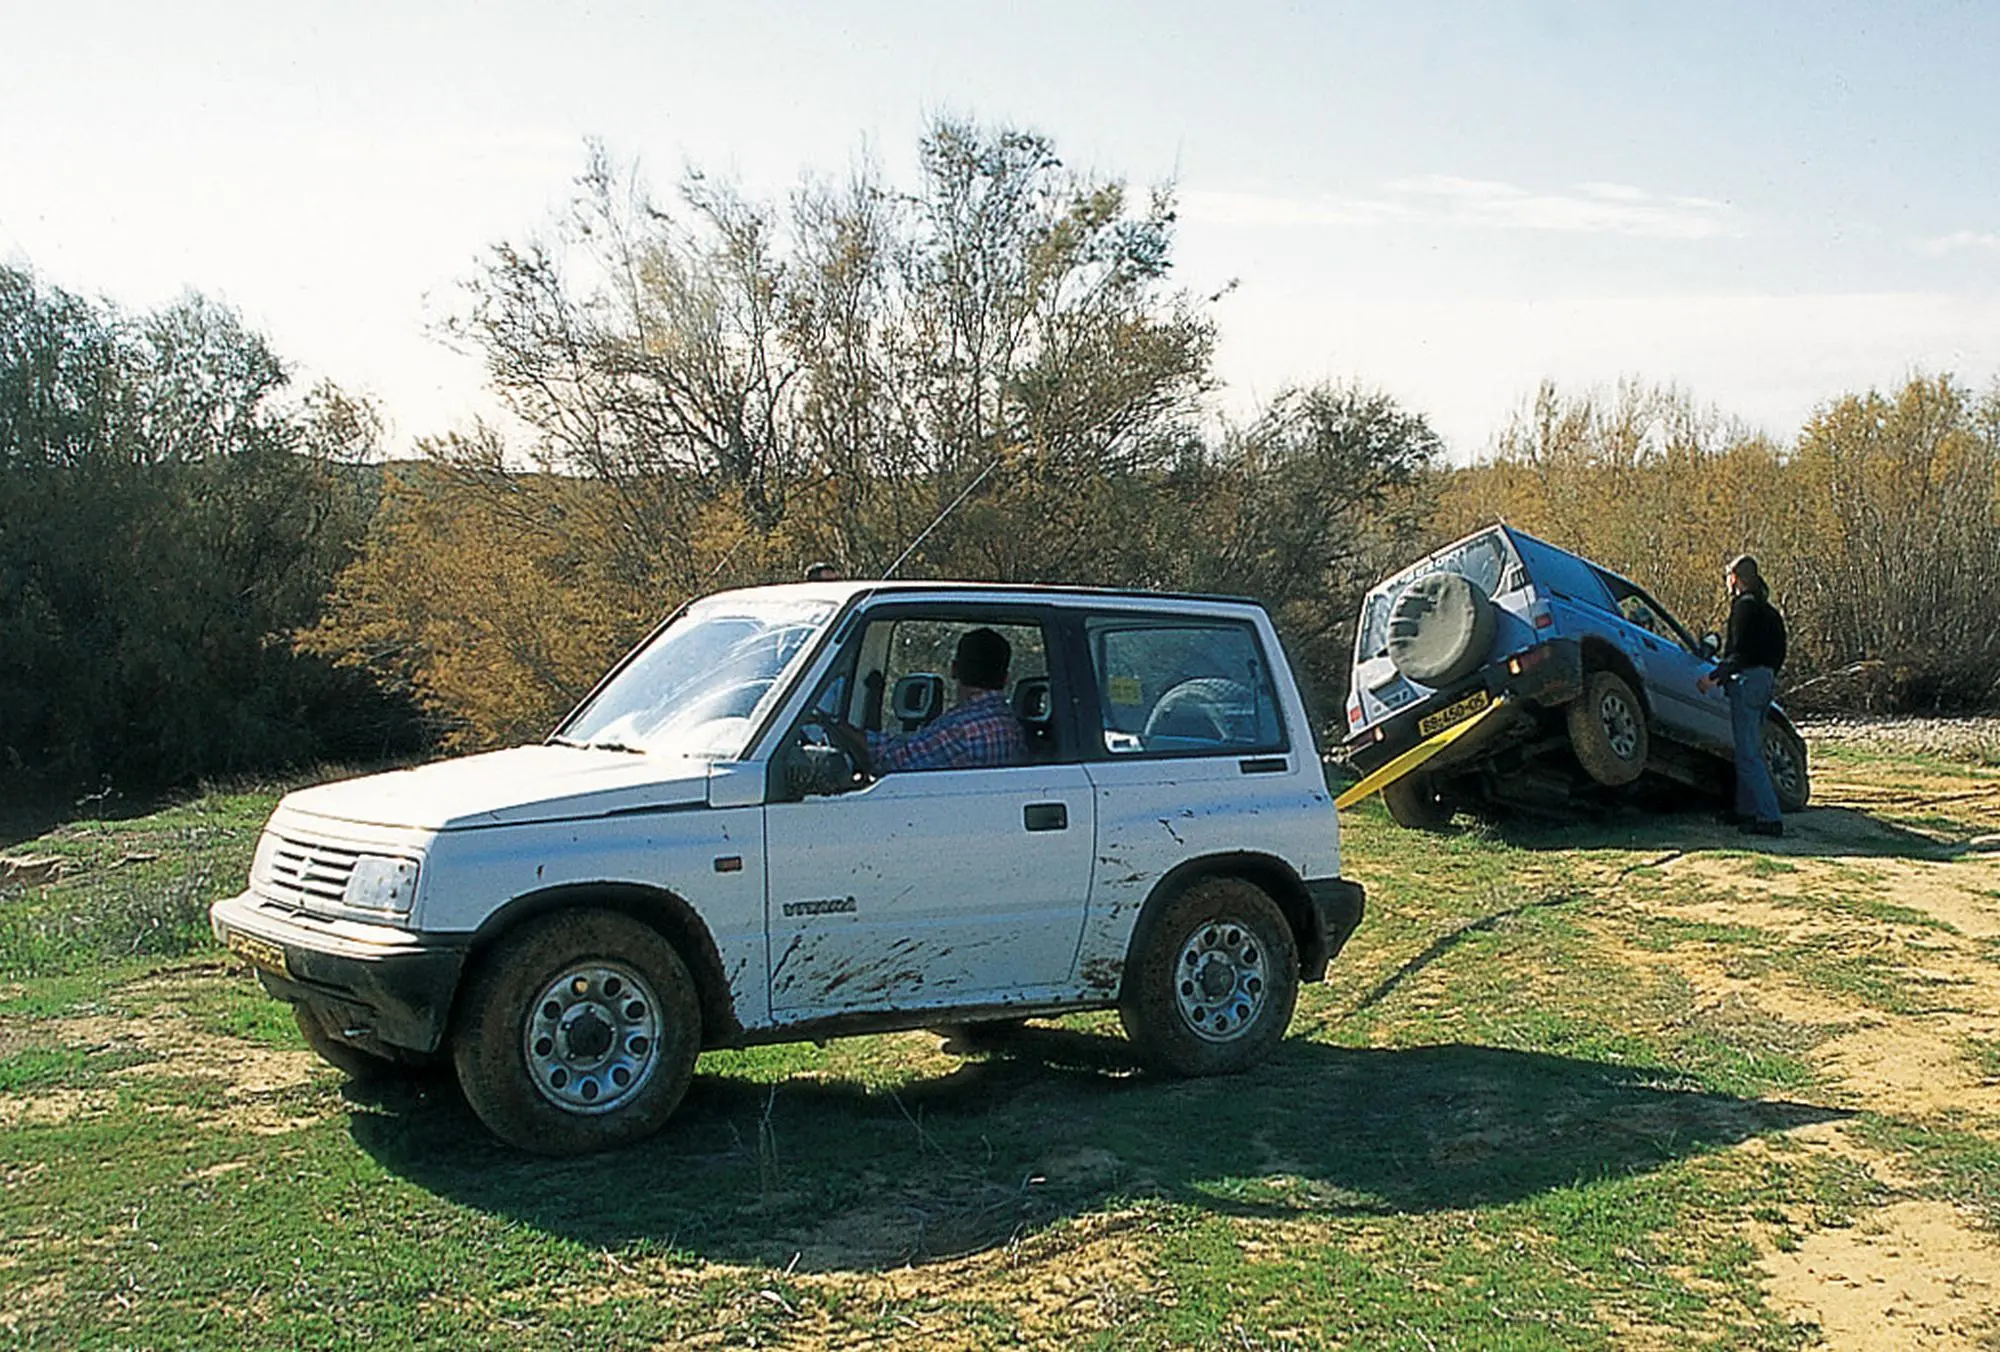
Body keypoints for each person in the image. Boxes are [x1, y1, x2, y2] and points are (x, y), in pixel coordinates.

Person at [1696, 554, 1788, 836]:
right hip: (1766, 681)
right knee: (1750, 750)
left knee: (1748, 755)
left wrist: (1713, 678)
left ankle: (1769, 817)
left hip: (1747, 682)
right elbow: (1778, 652)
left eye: (1728, 576)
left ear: (1735, 578)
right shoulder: (1769, 612)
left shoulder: (1743, 608)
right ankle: (1747, 812)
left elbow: (1740, 652)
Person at [867, 628, 1027, 772]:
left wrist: (848, 732)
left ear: (954, 669)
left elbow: (892, 761)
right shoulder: (1011, 722)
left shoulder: (960, 729)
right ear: (1006, 678)